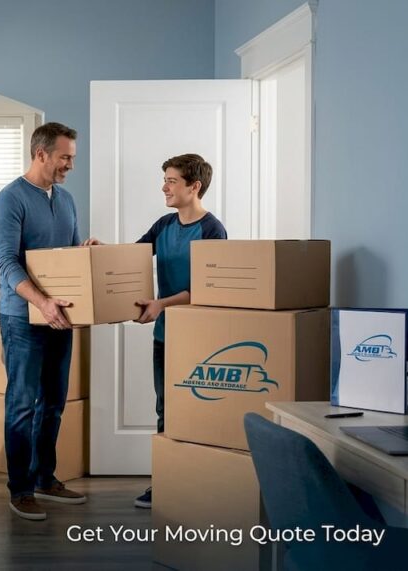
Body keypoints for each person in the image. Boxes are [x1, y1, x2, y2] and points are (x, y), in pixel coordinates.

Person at [0, 122, 91, 521]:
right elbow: (6, 264)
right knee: (21, 404)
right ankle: (20, 489)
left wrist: (86, 254)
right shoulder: (9, 200)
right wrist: (42, 302)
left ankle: (46, 478)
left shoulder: (65, 200)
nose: (70, 164)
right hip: (22, 319)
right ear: (41, 154)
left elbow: (66, 256)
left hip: (58, 317)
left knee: (54, 401)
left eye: (73, 157)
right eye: (65, 157)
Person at [132, 153, 228, 510]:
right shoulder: (163, 225)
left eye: (171, 181)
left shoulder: (212, 230)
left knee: (196, 413)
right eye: (165, 180)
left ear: (194, 186)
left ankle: (195, 483)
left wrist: (161, 303)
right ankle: (166, 483)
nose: (164, 187)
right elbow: (135, 254)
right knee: (166, 410)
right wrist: (102, 251)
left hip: (199, 338)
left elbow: (208, 287)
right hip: (164, 336)